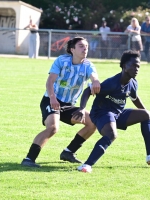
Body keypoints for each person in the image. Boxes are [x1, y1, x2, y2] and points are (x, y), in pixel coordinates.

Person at [73, 50, 150, 173]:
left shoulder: (133, 83)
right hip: (101, 113)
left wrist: (149, 113)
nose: (137, 69)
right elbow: (88, 90)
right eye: (134, 65)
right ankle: (86, 165)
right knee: (111, 135)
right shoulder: (112, 83)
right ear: (124, 66)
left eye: (138, 66)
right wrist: (82, 108)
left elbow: (135, 98)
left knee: (146, 115)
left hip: (117, 114)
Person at [21, 37, 101, 168]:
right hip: (51, 99)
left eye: (86, 46)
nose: (85, 48)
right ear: (72, 49)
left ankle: (68, 152)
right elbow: (50, 81)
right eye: (81, 46)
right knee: (53, 128)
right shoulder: (61, 61)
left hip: (68, 105)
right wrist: (52, 98)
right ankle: (29, 159)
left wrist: (96, 81)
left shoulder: (88, 65)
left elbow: (94, 77)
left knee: (92, 123)